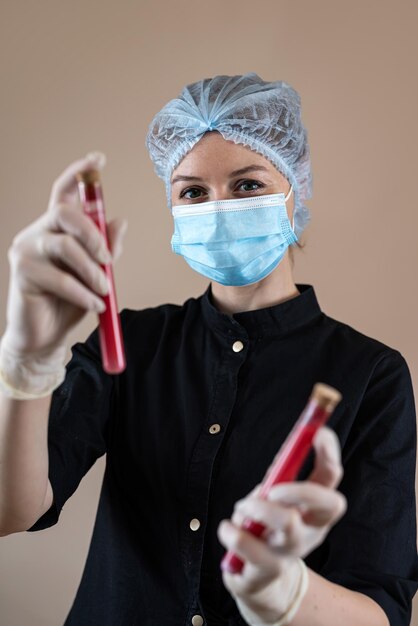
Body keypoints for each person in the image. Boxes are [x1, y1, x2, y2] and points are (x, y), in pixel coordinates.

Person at [0, 73, 416, 626]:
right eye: (193, 191)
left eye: (247, 185)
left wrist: (286, 594)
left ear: (295, 188)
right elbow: (14, 510)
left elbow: (382, 609)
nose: (219, 208)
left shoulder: (370, 374)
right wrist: (26, 365)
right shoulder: (129, 346)